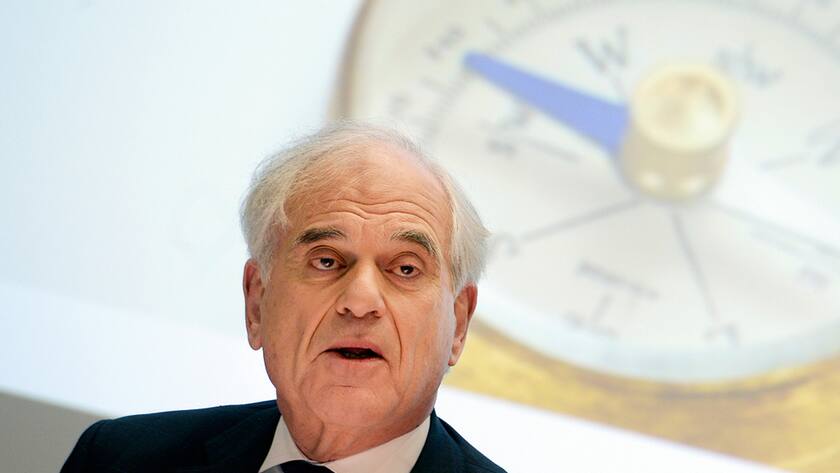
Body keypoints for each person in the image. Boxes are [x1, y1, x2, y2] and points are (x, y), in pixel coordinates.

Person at [60, 122, 506, 473]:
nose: (360, 301)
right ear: (257, 302)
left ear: (459, 324)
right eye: (326, 261)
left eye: (405, 268)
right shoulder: (118, 458)